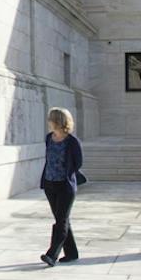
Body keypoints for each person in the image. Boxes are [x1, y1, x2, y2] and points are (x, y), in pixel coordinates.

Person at [39, 107, 85, 266]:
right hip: (49, 184)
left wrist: (66, 173)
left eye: (50, 119)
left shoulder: (72, 141)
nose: (48, 122)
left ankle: (52, 254)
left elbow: (78, 162)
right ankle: (72, 253)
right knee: (62, 220)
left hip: (65, 186)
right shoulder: (49, 138)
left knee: (61, 220)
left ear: (57, 121)